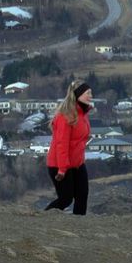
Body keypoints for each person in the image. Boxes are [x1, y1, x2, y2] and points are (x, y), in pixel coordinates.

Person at [45, 82, 93, 215]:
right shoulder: (64, 116)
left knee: (82, 195)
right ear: (78, 94)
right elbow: (62, 144)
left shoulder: (83, 114)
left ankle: (79, 226)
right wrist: (62, 169)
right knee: (65, 199)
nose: (91, 96)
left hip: (77, 163)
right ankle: (41, 218)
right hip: (60, 164)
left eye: (91, 93)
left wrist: (80, 160)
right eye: (87, 93)